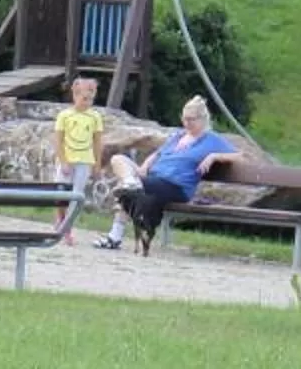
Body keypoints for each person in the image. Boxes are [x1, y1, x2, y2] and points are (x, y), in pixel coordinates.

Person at [97, 94, 235, 253]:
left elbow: (241, 156)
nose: (186, 123)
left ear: (202, 119)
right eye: (184, 119)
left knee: (131, 189)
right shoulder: (178, 136)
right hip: (154, 178)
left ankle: (115, 235)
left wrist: (214, 156)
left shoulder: (211, 139)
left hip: (176, 185)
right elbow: (158, 154)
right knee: (118, 160)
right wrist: (144, 167)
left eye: (191, 119)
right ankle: (130, 183)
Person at [50, 76, 104, 245]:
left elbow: (97, 141)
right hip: (68, 160)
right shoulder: (64, 116)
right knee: (61, 194)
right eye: (84, 98)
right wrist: (63, 161)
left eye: (90, 99)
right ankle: (60, 218)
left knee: (76, 196)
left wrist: (97, 163)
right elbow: (58, 140)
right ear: (75, 95)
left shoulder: (95, 117)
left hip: (84, 161)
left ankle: (68, 228)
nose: (87, 102)